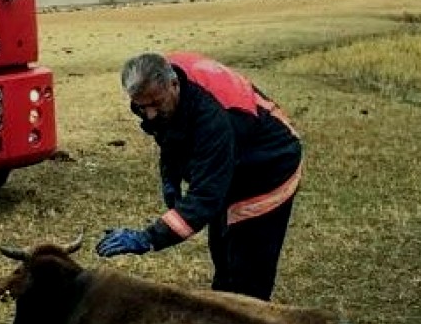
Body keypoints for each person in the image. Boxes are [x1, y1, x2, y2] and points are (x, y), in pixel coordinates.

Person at [95, 51, 304, 301]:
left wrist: (148, 238)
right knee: (223, 255)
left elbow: (205, 198)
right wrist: (170, 176)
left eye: (155, 104)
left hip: (269, 165)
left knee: (247, 273)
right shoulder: (157, 82)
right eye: (141, 107)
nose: (149, 114)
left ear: (174, 85)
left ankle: (247, 317)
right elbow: (170, 133)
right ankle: (224, 301)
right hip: (232, 157)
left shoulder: (214, 120)